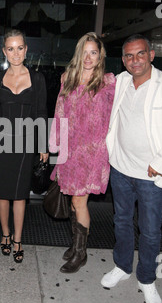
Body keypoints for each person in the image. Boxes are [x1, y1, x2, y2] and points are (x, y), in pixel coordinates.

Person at [101, 34, 162, 303]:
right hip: (121, 168)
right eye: (128, 55)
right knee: (122, 221)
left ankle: (147, 278)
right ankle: (123, 266)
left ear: (151, 54)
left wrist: (161, 161)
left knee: (150, 231)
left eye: (140, 54)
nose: (134, 60)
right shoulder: (122, 82)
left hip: (152, 174)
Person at [49, 32, 116, 273]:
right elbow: (59, 112)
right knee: (74, 202)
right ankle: (76, 244)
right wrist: (55, 146)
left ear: (100, 56)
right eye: (85, 52)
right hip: (71, 151)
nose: (88, 57)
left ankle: (80, 253)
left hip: (93, 153)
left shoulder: (109, 82)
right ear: (79, 53)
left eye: (94, 53)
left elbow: (116, 117)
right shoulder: (67, 78)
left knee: (79, 201)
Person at [0, 29, 48, 263]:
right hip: (1, 142)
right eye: (11, 48)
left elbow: (42, 113)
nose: (16, 53)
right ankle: (5, 234)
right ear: (5, 51)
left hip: (25, 145)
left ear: (26, 49)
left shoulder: (37, 78)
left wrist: (43, 145)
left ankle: (18, 239)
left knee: (19, 195)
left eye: (20, 48)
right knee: (2, 194)